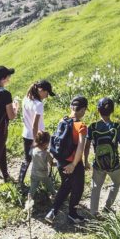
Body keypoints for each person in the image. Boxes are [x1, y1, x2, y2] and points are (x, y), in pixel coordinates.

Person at [85, 96, 120, 216]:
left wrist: (85, 161)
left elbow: (86, 146)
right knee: (116, 184)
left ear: (98, 110)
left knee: (96, 187)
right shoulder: (117, 127)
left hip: (98, 164)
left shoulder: (92, 127)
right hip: (114, 164)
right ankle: (107, 207)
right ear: (112, 110)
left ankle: (94, 212)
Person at [45, 95, 88, 225]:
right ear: (83, 109)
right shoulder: (81, 126)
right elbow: (81, 147)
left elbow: (56, 142)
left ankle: (52, 211)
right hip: (73, 162)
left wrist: (53, 159)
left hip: (61, 161)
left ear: (71, 107)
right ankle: (72, 214)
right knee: (78, 187)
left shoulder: (62, 121)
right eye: (85, 110)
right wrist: (74, 165)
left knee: (66, 185)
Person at [18, 79, 55, 191]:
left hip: (26, 134)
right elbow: (35, 125)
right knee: (42, 158)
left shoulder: (25, 99)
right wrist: (36, 140)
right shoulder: (38, 104)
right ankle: (44, 181)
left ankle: (20, 182)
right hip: (37, 136)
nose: (47, 96)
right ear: (41, 90)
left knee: (27, 159)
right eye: (47, 93)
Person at [29, 130, 56, 201]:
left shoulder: (33, 150)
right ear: (46, 143)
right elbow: (52, 164)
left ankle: (29, 198)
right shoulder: (46, 153)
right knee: (49, 184)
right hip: (44, 174)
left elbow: (30, 154)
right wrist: (58, 164)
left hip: (34, 173)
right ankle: (54, 194)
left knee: (33, 187)